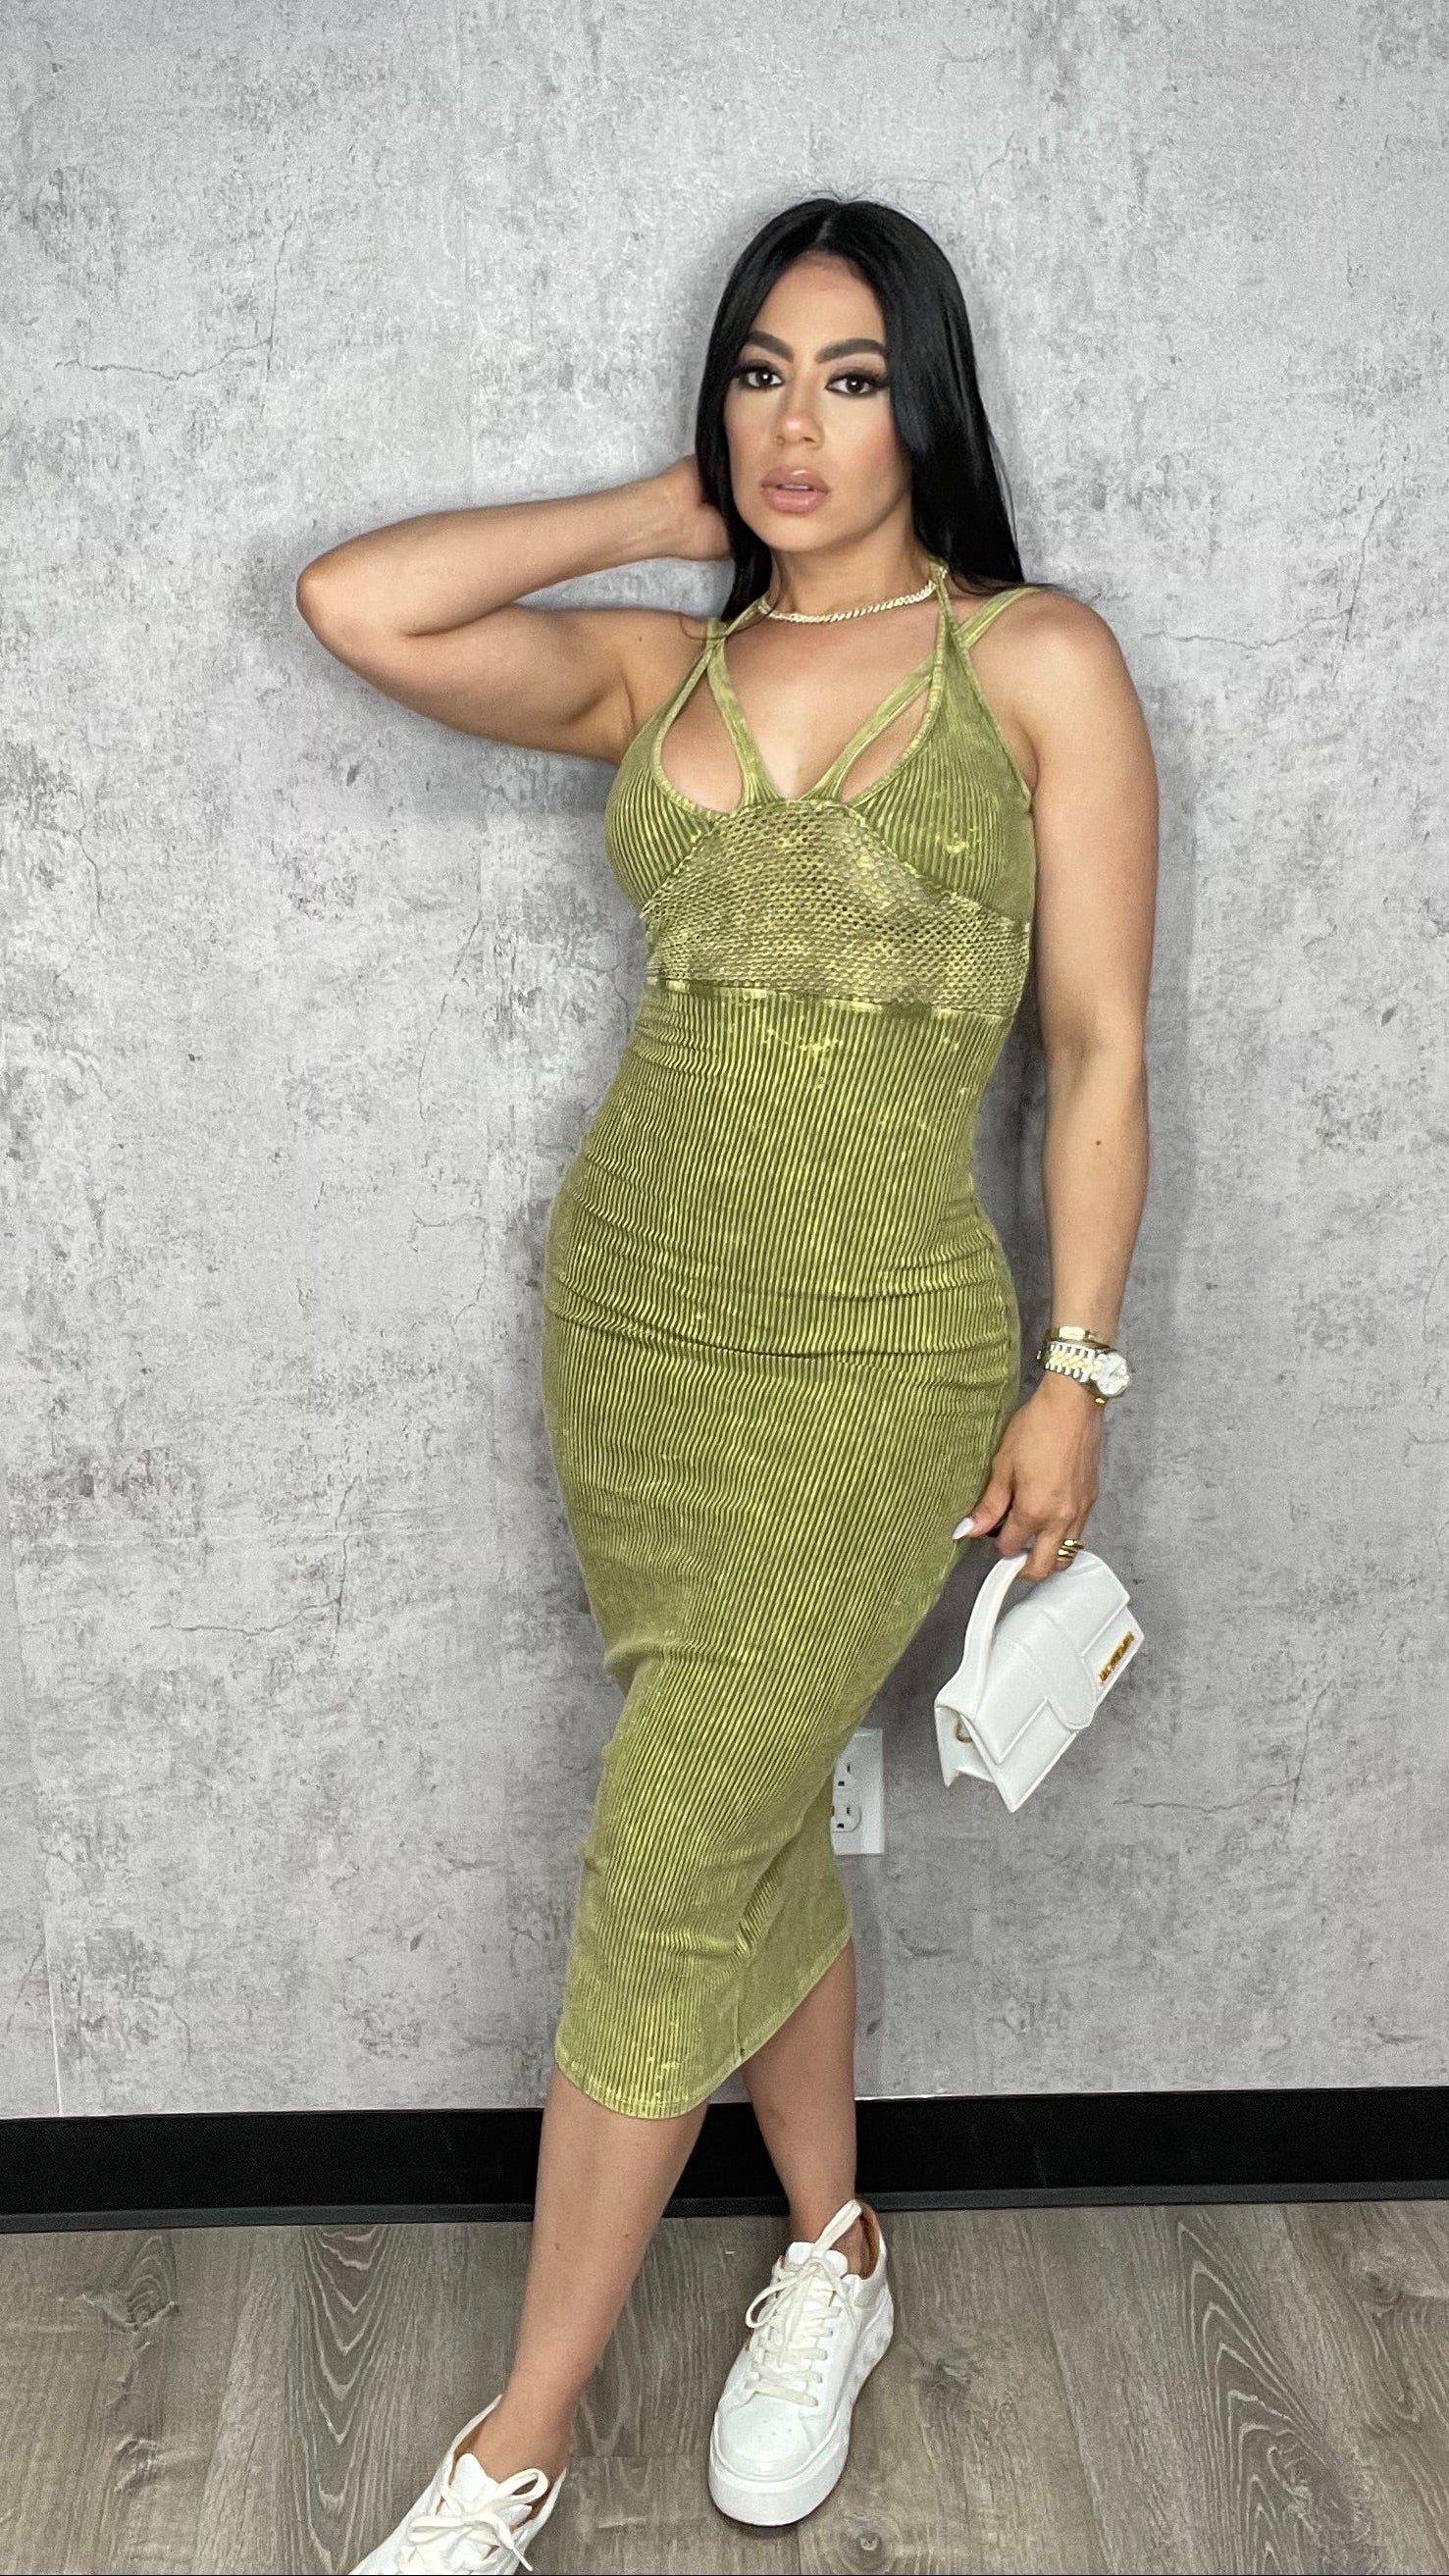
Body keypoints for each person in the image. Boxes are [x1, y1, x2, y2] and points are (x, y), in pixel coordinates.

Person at [297, 193, 1158, 2576]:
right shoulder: (659, 672)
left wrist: (1079, 1364)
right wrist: (661, 507)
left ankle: (509, 2449)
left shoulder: (1033, 659)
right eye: (761, 372)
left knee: (665, 1856)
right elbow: (358, 603)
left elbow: (1097, 1049)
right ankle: (835, 2250)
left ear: (927, 404)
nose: (800, 422)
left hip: (876, 1358)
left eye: (851, 377)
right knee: (747, 1808)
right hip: (632, 1327)